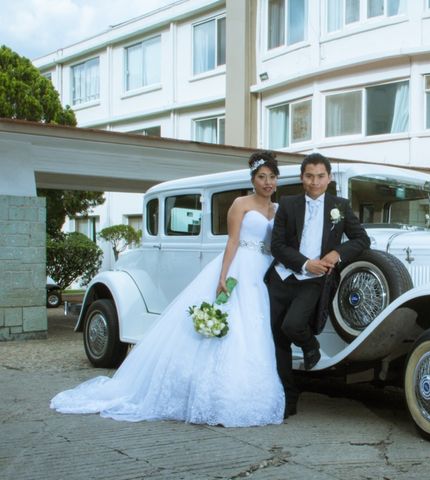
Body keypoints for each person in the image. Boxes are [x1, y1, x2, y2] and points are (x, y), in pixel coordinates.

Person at [50, 151, 285, 427]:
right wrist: (224, 275)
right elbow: (232, 242)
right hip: (239, 267)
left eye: (271, 177)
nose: (267, 182)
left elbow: (276, 244)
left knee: (256, 330)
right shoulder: (240, 204)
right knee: (233, 327)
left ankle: (253, 390)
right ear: (253, 179)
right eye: (261, 177)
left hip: (263, 269)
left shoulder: (276, 210)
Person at [266, 153, 370, 418]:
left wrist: (337, 254)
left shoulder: (341, 206)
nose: (315, 182)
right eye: (309, 176)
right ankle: (288, 400)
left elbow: (361, 239)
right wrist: (304, 263)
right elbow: (277, 246)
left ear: (329, 178)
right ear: (302, 178)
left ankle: (311, 346)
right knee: (279, 341)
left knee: (292, 325)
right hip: (282, 277)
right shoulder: (287, 204)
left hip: (314, 282)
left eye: (320, 176)